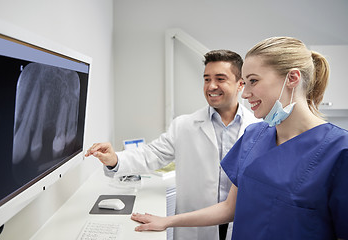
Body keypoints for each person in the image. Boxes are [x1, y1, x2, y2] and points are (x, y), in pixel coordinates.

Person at [129, 37, 348, 240]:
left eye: (253, 81)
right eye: (245, 81)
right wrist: (167, 222)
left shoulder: (339, 151)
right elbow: (229, 208)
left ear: (292, 78)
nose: (244, 93)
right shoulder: (253, 136)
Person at [85, 50, 259, 240]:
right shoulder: (184, 125)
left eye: (220, 78)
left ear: (240, 84)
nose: (211, 86)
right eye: (206, 79)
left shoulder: (259, 128)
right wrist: (114, 159)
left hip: (241, 224)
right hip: (195, 228)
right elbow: (151, 154)